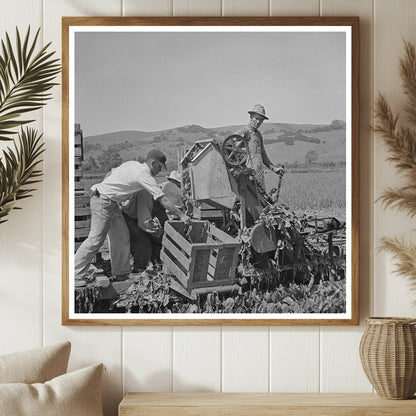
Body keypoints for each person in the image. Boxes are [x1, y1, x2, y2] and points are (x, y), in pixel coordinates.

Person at [74, 149, 189, 286]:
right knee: (96, 240)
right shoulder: (144, 175)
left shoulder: (132, 164)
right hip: (103, 201)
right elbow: (162, 199)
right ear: (153, 163)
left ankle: (121, 274)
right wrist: (182, 216)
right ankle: (75, 274)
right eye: (159, 167)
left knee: (122, 237)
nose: (159, 171)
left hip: (111, 203)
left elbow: (112, 173)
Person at [234, 104, 284, 189]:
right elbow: (229, 144)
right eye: (256, 119)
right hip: (248, 175)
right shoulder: (244, 131)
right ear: (251, 117)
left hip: (259, 174)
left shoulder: (258, 135)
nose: (258, 122)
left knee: (260, 201)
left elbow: (263, 155)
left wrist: (274, 169)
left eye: (261, 120)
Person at [121, 189, 168, 272]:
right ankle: (139, 268)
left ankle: (156, 261)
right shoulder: (145, 194)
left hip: (142, 216)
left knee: (157, 238)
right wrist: (155, 231)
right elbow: (144, 223)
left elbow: (163, 220)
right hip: (129, 216)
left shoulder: (160, 201)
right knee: (142, 240)